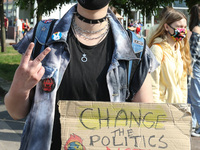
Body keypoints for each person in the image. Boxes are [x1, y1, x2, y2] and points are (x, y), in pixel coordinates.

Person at [4, 1, 158, 149]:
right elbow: (15, 112)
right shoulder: (43, 36)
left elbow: (144, 124)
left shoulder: (135, 49)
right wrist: (20, 87)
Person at [148, 9, 192, 103]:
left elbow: (183, 84)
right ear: (167, 27)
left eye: (184, 27)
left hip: (178, 107)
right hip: (163, 108)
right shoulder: (157, 50)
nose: (182, 30)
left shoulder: (180, 50)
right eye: (179, 26)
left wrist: (183, 105)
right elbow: (153, 83)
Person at [187, 4, 200, 137]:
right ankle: (192, 123)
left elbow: (194, 54)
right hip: (197, 66)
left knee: (195, 98)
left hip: (195, 67)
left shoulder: (196, 29)